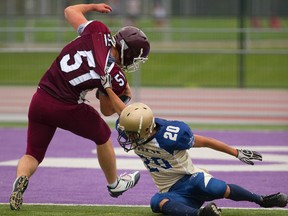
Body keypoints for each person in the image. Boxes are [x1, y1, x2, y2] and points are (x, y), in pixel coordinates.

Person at [9, 3, 150, 211]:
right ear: (128, 53)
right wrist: (126, 96)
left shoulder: (98, 30)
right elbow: (107, 110)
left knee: (34, 153)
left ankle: (21, 179)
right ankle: (114, 184)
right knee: (102, 134)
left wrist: (93, 6)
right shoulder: (115, 75)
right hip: (66, 105)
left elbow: (69, 11)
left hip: (40, 98)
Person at [115, 102, 288, 216]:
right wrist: (106, 87)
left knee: (219, 188)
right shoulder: (136, 127)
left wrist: (235, 152)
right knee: (156, 202)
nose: (127, 137)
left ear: (145, 129)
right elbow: (121, 109)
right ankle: (201, 214)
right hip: (171, 191)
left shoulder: (171, 136)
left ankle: (262, 200)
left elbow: (205, 141)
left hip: (192, 178)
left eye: (131, 133)